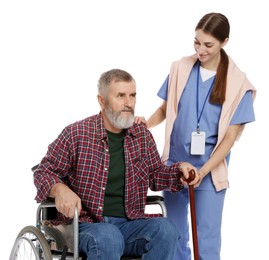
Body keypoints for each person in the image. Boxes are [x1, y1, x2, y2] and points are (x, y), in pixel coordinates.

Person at [33, 68, 200, 260]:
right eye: (120, 96)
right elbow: (44, 171)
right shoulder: (77, 134)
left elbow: (155, 175)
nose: (128, 103)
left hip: (130, 223)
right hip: (84, 224)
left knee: (167, 230)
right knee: (108, 237)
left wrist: (179, 170)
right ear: (102, 101)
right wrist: (60, 189)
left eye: (132, 95)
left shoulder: (142, 136)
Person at [136, 12, 256, 260]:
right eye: (197, 42)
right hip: (175, 167)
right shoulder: (181, 68)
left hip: (210, 171)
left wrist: (203, 172)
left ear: (224, 42)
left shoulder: (239, 84)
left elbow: (229, 139)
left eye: (208, 45)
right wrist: (146, 124)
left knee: (207, 240)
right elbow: (165, 109)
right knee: (174, 234)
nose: (200, 50)